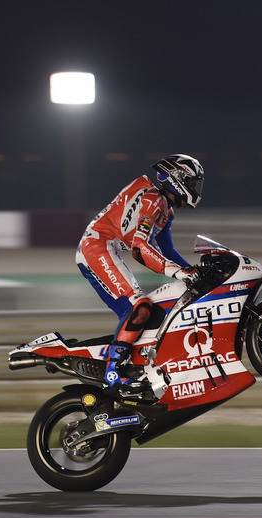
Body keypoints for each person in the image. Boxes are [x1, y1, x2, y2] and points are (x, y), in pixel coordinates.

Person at [76, 154, 205, 395]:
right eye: (193, 183)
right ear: (179, 179)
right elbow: (140, 248)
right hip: (97, 246)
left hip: (105, 247)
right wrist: (179, 273)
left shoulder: (165, 209)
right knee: (140, 308)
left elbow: (168, 251)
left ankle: (125, 366)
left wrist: (195, 271)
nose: (196, 189)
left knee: (144, 314)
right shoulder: (153, 199)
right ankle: (113, 371)